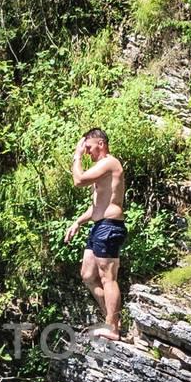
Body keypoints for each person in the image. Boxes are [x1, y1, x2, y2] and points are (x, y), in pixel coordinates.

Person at [63, 128, 127, 340]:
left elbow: (78, 180)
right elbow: (96, 207)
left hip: (110, 225)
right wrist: (77, 222)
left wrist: (77, 156)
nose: (86, 151)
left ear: (101, 143)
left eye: (88, 147)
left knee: (108, 277)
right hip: (99, 225)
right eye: (84, 149)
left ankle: (113, 328)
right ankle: (112, 319)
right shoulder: (101, 169)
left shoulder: (110, 163)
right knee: (88, 275)